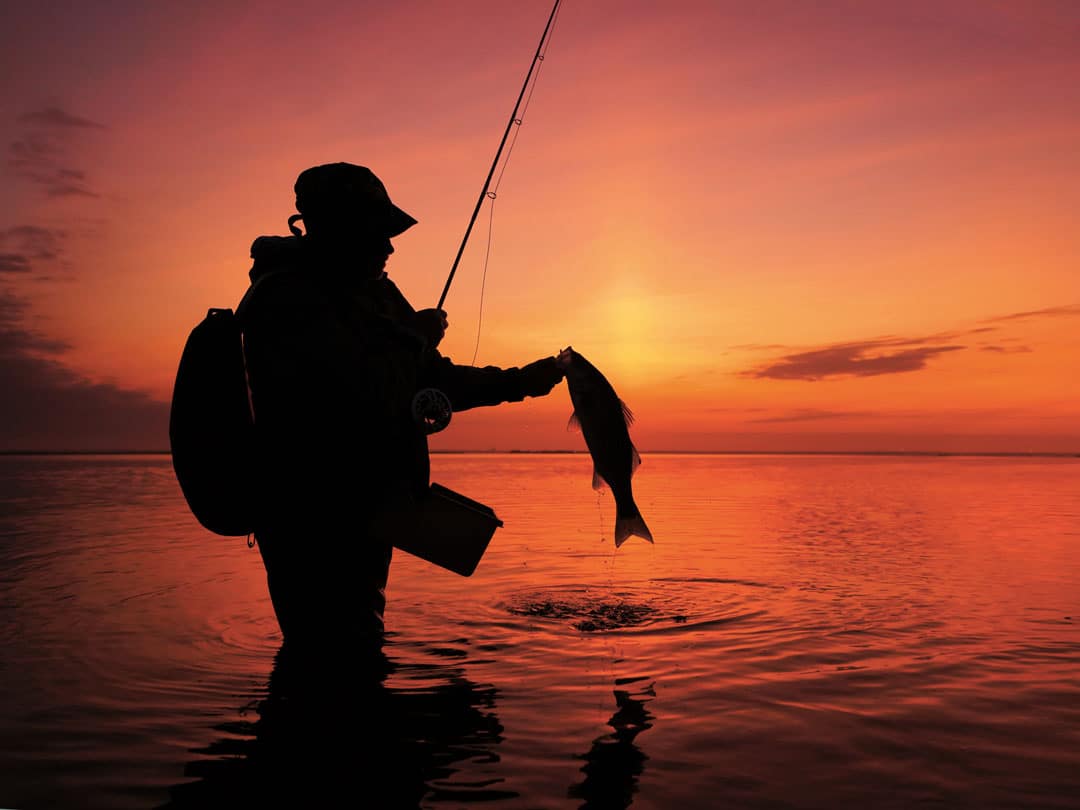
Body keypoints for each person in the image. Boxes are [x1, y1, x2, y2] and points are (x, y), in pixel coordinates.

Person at [238, 162, 564, 651]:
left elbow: (432, 380)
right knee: (329, 649)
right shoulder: (285, 299)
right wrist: (416, 336)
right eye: (377, 232)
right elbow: (348, 397)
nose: (389, 247)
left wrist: (526, 381)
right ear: (335, 227)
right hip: (308, 516)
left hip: (372, 506)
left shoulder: (377, 295)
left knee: (360, 642)